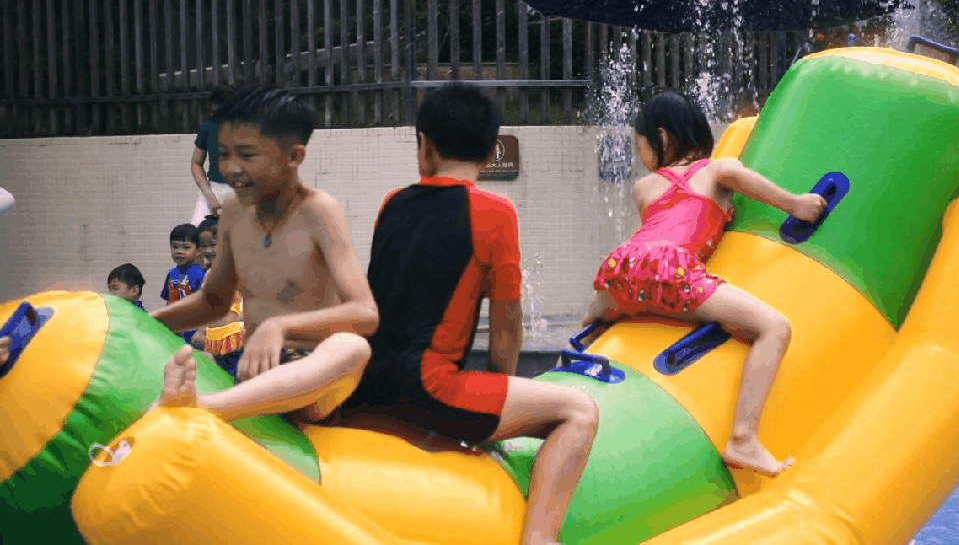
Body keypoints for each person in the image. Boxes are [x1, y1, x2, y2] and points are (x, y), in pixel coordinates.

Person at [333, 84, 598, 545]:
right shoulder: (494, 211)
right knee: (580, 411)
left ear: (425, 146)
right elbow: (506, 324)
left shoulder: (392, 204)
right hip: (429, 390)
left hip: (363, 387)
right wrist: (499, 395)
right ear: (492, 152)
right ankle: (539, 537)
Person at [578, 90, 826, 477]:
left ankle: (571, 390)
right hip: (670, 269)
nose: (640, 155)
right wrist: (796, 204)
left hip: (619, 269)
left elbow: (654, 240)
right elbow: (740, 182)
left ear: (661, 139)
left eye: (640, 145)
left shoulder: (645, 188)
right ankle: (743, 439)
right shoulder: (716, 170)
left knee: (587, 333)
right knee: (774, 327)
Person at [150, 84, 378, 432]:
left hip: (313, 380)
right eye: (223, 154)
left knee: (353, 348)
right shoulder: (233, 213)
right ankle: (211, 404)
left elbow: (365, 313)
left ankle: (205, 408)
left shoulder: (319, 211)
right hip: (254, 374)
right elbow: (213, 301)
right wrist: (140, 321)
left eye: (247, 155)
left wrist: (280, 326)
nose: (231, 169)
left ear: (294, 157)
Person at [195, 215, 247, 379]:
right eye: (203, 245)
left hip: (234, 340)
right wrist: (202, 331)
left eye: (213, 244)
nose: (208, 250)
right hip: (216, 341)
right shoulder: (209, 273)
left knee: (234, 379)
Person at [191, 85, 238, 226]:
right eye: (214, 112)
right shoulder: (208, 127)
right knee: (195, 230)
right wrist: (209, 195)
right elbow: (196, 163)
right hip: (214, 189)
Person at [161, 224, 206, 345]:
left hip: (193, 332)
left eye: (186, 247)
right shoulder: (171, 273)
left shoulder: (199, 275)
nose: (179, 251)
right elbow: (169, 302)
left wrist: (202, 331)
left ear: (198, 250)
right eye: (174, 247)